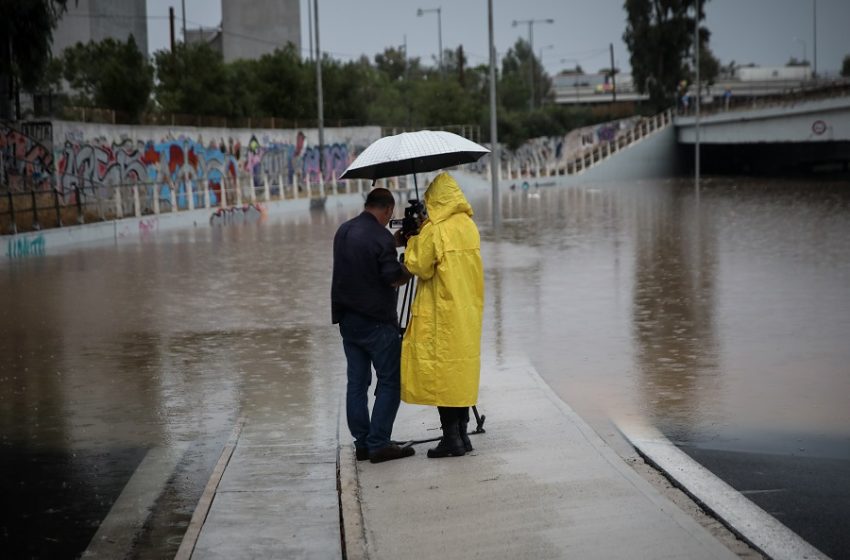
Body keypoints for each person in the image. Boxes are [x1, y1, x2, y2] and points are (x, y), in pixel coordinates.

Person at [400, 172, 484, 458]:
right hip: (467, 311)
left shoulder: (436, 230)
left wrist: (414, 239)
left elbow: (418, 265)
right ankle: (462, 434)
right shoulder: (469, 226)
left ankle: (451, 439)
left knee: (443, 374)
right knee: (460, 371)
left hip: (442, 313)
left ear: (435, 199)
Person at [332, 187, 415, 464]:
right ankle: (379, 443)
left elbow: (363, 260)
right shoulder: (380, 237)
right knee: (390, 381)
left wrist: (392, 243)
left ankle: (363, 444)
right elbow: (392, 277)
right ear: (389, 209)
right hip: (378, 323)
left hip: (348, 321)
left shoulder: (344, 231)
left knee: (357, 383)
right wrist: (412, 265)